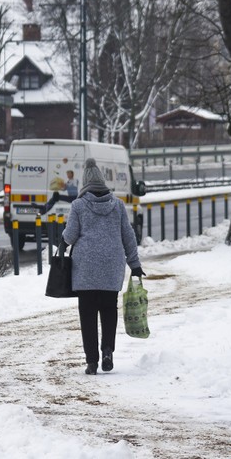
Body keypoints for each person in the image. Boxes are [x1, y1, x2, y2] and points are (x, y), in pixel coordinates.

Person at [61, 158, 144, 375]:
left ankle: (91, 362)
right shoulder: (117, 205)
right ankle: (107, 350)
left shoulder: (78, 206)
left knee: (87, 315)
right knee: (109, 310)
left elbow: (70, 236)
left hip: (85, 270)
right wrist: (134, 264)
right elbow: (129, 236)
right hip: (111, 268)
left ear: (85, 184)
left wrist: (62, 242)